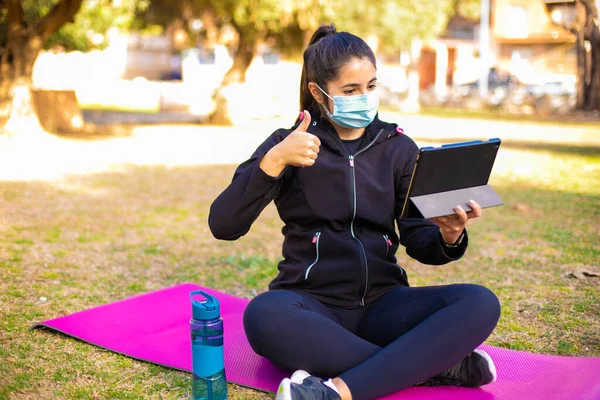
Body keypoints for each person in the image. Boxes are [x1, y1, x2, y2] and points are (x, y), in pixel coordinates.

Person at [208, 24, 501, 400]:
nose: (364, 98)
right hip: (311, 306)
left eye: (371, 86)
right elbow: (224, 224)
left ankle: (337, 392)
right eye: (350, 90)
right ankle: (436, 367)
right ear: (319, 92)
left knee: (479, 302)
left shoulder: (398, 148)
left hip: (384, 306)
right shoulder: (287, 144)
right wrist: (274, 160)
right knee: (262, 316)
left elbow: (417, 238)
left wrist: (448, 235)